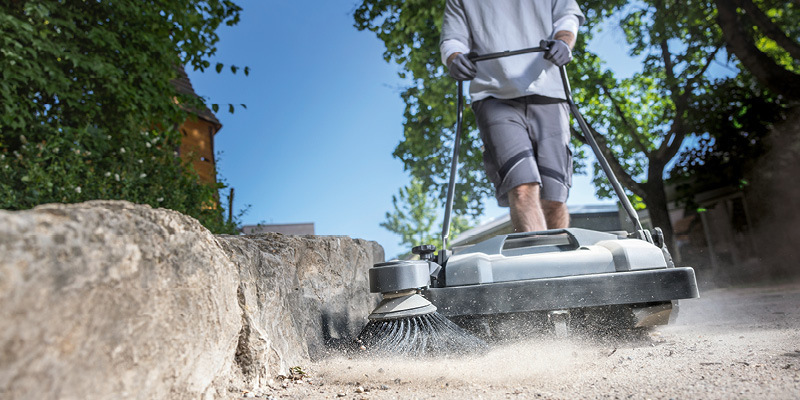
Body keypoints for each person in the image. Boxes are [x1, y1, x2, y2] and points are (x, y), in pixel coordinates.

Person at [440, 0, 585, 233]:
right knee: (522, 187)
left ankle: (562, 263)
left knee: (554, 196)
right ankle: (539, 265)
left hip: (548, 90)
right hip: (493, 95)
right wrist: (454, 58)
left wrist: (564, 42)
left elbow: (567, 17)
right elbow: (452, 39)